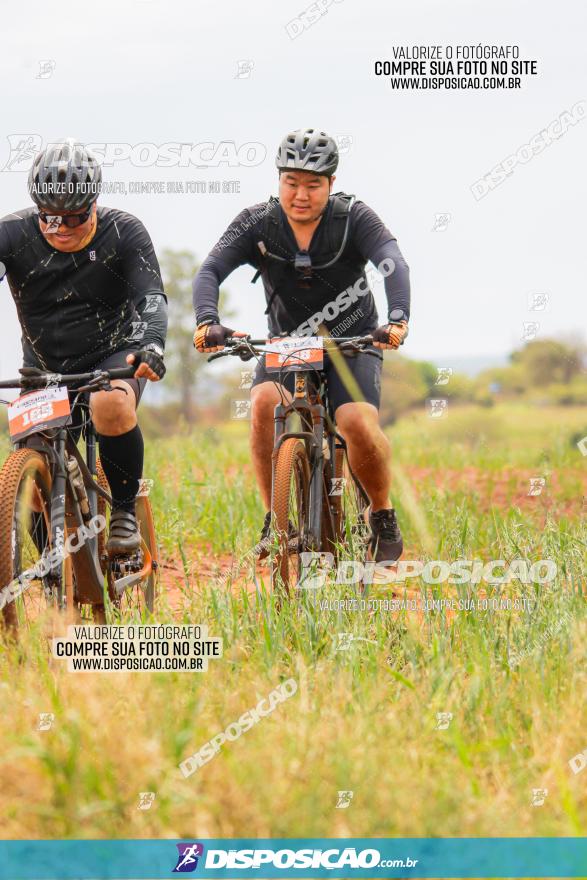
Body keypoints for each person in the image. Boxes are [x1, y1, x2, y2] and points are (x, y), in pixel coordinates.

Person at [193, 128, 410, 562]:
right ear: (279, 181)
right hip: (288, 344)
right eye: (291, 182)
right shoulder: (258, 222)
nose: (301, 194)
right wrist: (207, 320)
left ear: (330, 184)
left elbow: (393, 262)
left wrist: (397, 320)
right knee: (260, 406)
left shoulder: (354, 218)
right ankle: (276, 521)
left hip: (353, 340)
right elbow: (211, 269)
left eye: (313, 185)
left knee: (356, 423)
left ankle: (381, 512)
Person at [0, 137, 167, 555]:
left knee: (108, 405)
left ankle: (124, 514)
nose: (61, 229)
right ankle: (61, 576)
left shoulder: (124, 232)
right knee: (33, 482)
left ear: (93, 204)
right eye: (49, 218)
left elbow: (151, 298)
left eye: (73, 218)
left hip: (113, 357)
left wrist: (152, 345)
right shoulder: (12, 233)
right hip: (43, 367)